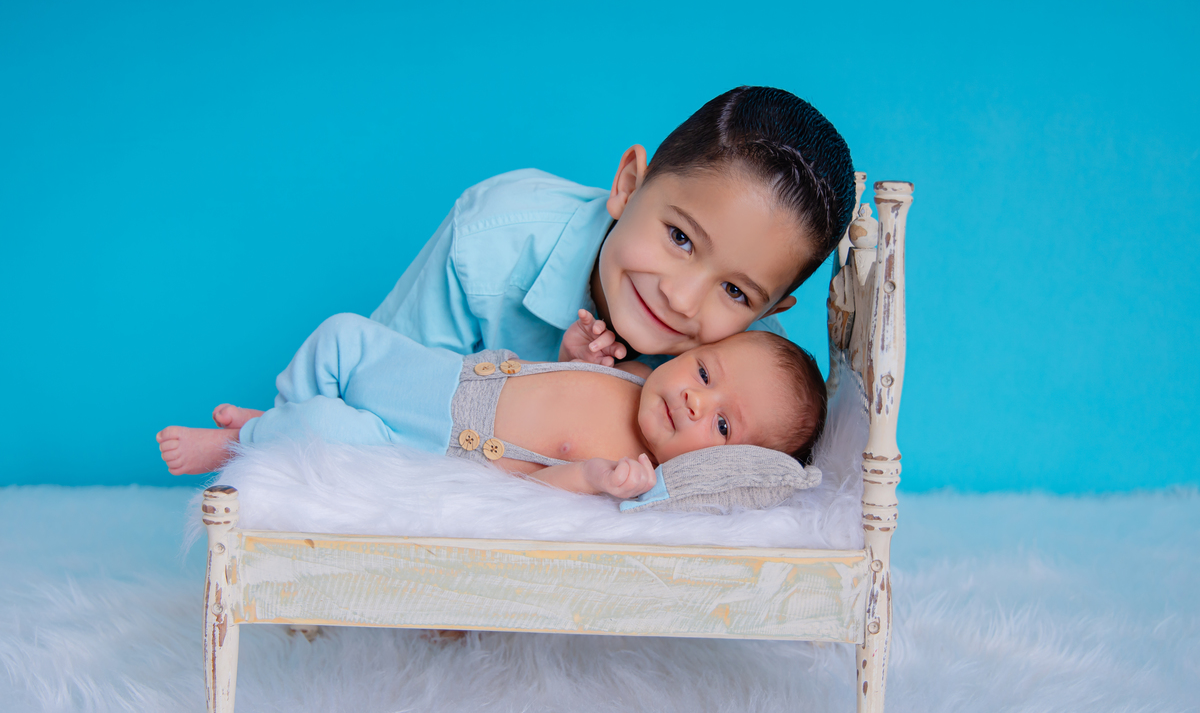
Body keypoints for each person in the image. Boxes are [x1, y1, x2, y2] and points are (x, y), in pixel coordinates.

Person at [368, 86, 855, 370]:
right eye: (680, 238)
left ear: (768, 311)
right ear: (628, 184)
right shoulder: (492, 239)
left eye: (735, 292)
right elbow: (376, 382)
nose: (681, 300)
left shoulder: (757, 373)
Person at [156, 312, 827, 500]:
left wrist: (596, 478)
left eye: (722, 423)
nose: (693, 398)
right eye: (705, 371)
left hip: (436, 448)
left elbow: (543, 494)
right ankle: (272, 416)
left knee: (328, 430)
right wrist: (575, 349)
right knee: (343, 335)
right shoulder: (639, 373)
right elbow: (557, 377)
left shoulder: (634, 471)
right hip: (444, 378)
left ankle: (240, 444)